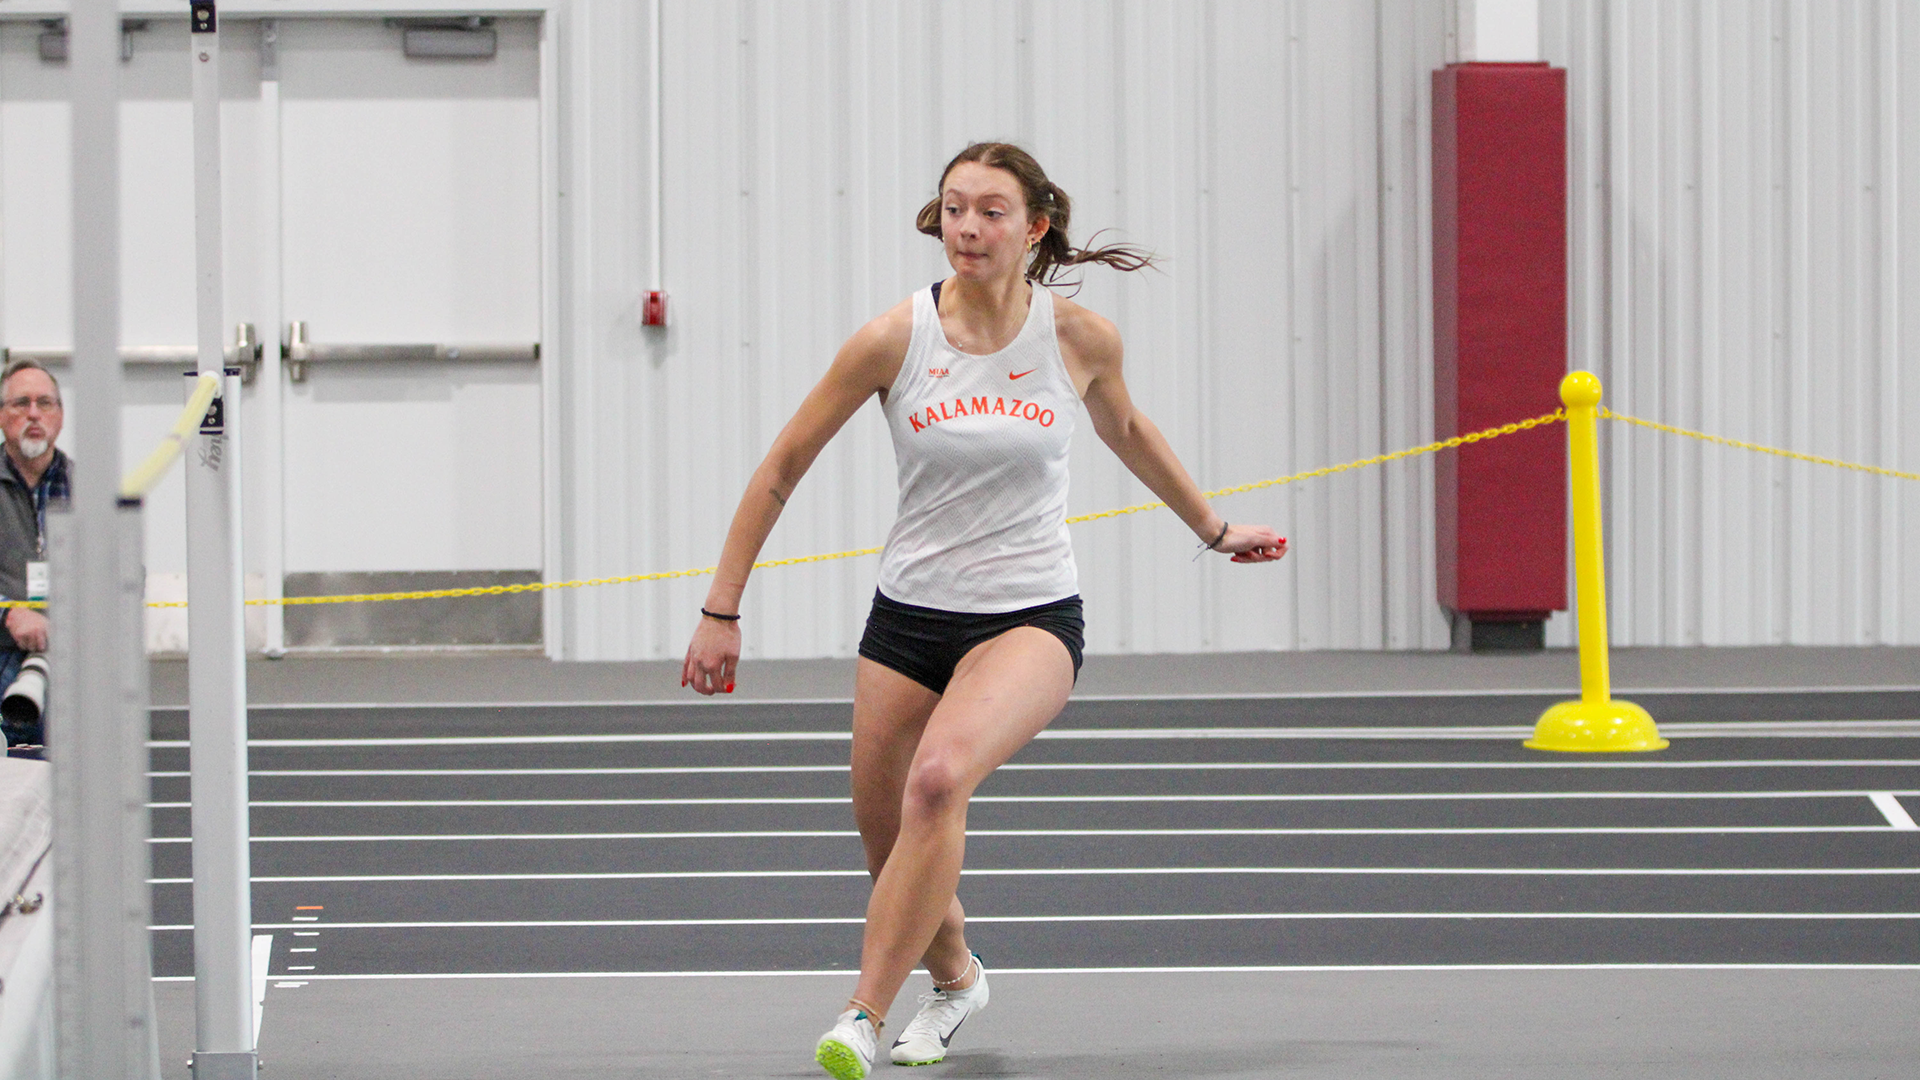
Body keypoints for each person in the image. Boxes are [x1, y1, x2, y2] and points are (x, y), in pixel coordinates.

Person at [681, 143, 1287, 1079]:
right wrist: (722, 609)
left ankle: (860, 1017)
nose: (968, 227)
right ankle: (957, 977)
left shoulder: (1077, 338)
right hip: (908, 621)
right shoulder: (895, 338)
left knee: (939, 781)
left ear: (1035, 225)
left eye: (992, 211)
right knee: (889, 840)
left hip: (1031, 616)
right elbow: (782, 466)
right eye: (955, 208)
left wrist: (1212, 527)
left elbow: (1127, 429)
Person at [0, 360, 69, 747]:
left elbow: (125, 575)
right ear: (0, 415)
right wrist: (9, 611)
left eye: (45, 403)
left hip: (69, 655)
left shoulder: (86, 486)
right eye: (20, 403)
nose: (33, 414)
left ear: (60, 415)